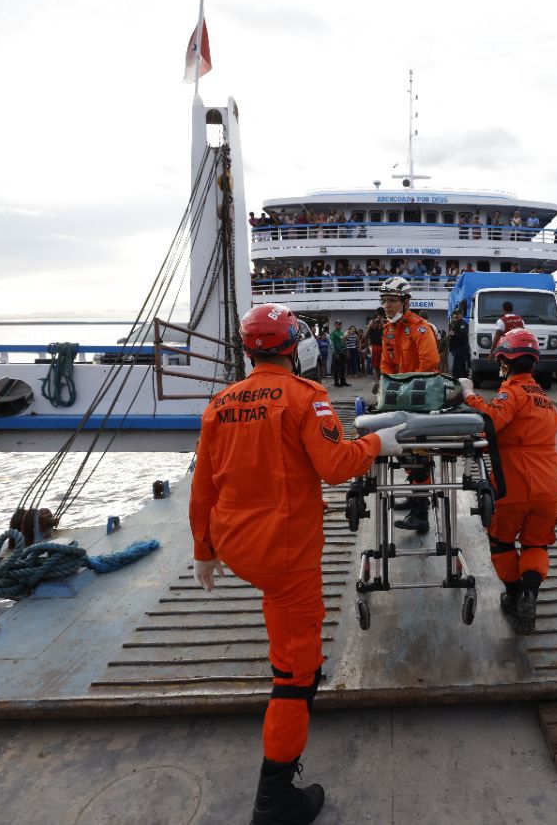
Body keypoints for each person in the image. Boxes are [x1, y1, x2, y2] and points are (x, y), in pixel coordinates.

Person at [189, 303, 404, 825]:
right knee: (295, 674)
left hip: (237, 546)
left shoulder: (221, 403)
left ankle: (287, 663)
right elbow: (334, 466)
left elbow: (205, 485)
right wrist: (379, 442)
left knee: (278, 617)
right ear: (296, 346)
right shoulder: (307, 397)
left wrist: (203, 552)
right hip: (284, 554)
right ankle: (275, 798)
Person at [457, 328, 557, 634]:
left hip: (514, 484)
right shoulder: (546, 401)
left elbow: (491, 421)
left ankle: (514, 595)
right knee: (536, 542)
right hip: (549, 486)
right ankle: (530, 594)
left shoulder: (512, 393)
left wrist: (469, 395)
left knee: (501, 541)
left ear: (505, 361)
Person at [379, 276, 441, 532]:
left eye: (391, 300)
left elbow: (430, 363)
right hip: (400, 400)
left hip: (419, 400)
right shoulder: (388, 330)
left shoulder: (420, 328)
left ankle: (421, 512)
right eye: (384, 300)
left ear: (405, 302)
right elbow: (386, 366)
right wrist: (387, 391)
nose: (386, 305)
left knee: (419, 452)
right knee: (404, 450)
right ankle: (416, 497)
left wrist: (406, 389)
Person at [447, 307, 470, 379]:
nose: (456, 315)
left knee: (458, 367)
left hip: (461, 348)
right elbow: (450, 334)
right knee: (459, 366)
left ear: (461, 315)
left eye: (458, 314)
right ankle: (460, 379)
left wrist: (454, 334)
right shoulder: (453, 324)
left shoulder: (463, 324)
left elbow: (463, 335)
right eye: (455, 314)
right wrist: (449, 335)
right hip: (455, 348)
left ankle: (457, 379)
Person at [329, 321, 348, 387]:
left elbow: (344, 342)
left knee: (343, 367)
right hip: (336, 352)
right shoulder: (333, 333)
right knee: (336, 368)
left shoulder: (341, 333)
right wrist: (335, 353)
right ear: (335, 325)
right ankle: (336, 382)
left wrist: (346, 350)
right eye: (338, 324)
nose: (339, 325)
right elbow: (331, 344)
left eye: (340, 324)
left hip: (342, 351)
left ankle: (343, 381)